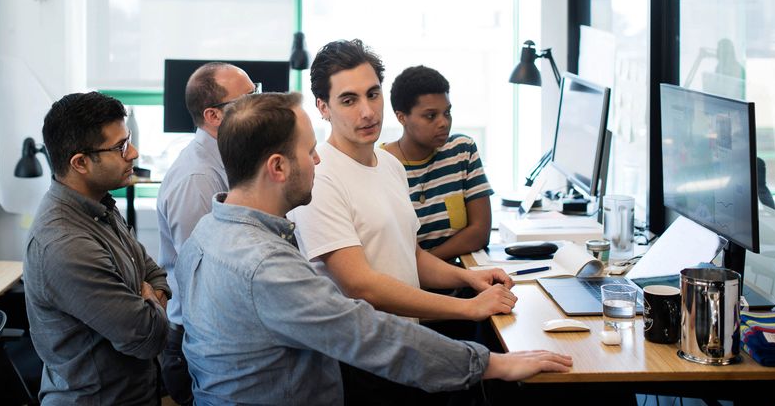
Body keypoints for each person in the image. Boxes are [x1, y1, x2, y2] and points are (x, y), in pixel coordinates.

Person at [176, 91, 572, 405]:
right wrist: (491, 364)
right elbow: (367, 334)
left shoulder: (208, 231)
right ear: (278, 168)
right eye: (309, 151)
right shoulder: (265, 266)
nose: (317, 160)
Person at [288, 40, 517, 401]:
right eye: (349, 100)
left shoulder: (390, 165)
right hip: (361, 360)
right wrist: (468, 307)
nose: (367, 112)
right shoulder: (321, 175)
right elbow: (361, 285)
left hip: (406, 345)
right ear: (323, 107)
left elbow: (412, 255)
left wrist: (468, 278)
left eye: (373, 94)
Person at [24, 91, 170, 406]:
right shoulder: (66, 245)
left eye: (128, 140)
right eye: (120, 147)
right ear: (80, 163)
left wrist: (149, 295)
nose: (133, 153)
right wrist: (148, 302)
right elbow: (148, 338)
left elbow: (154, 272)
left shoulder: (98, 203)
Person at [156, 62, 256, 405]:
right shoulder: (198, 178)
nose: (257, 105)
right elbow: (207, 274)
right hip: (197, 339)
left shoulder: (229, 159)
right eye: (247, 99)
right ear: (213, 116)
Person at [384, 65, 493, 261]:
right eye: (431, 116)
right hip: (407, 286)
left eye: (447, 113)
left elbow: (480, 232)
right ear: (402, 117)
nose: (443, 122)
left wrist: (428, 263)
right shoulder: (380, 164)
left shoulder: (462, 150)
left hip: (458, 281)